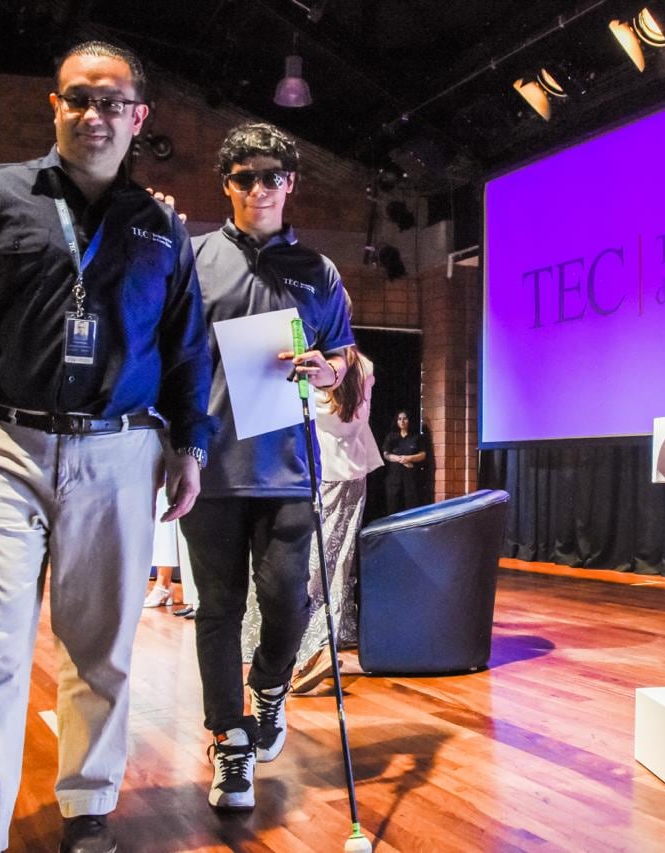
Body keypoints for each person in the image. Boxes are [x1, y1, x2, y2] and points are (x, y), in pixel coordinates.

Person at [0, 41, 214, 853]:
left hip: (120, 452)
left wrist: (191, 445)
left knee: (101, 650)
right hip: (3, 446)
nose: (94, 114)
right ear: (55, 106)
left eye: (112, 102)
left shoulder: (161, 227)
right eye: (79, 98)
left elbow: (187, 348)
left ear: (138, 116)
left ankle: (89, 807)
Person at [180, 121, 353, 811]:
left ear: (291, 184)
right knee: (218, 608)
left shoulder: (320, 271)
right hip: (210, 468)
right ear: (227, 185)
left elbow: (341, 357)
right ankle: (230, 741)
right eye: (244, 177)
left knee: (287, 599)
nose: (258, 188)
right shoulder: (192, 260)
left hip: (288, 467)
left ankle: (271, 687)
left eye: (271, 176)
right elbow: (167, 356)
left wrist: (326, 368)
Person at [241, 342, 384, 694]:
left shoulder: (309, 368)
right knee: (335, 563)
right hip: (351, 471)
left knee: (303, 564)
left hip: (313, 468)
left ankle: (306, 652)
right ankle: (321, 643)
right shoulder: (363, 366)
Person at [382, 409, 427, 514]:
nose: (402, 421)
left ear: (409, 420)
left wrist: (409, 458)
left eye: (405, 419)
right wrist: (401, 459)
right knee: (393, 507)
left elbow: (423, 455)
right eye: (399, 419)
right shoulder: (391, 437)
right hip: (394, 478)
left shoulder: (416, 437)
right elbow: (386, 455)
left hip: (411, 478)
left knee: (411, 508)